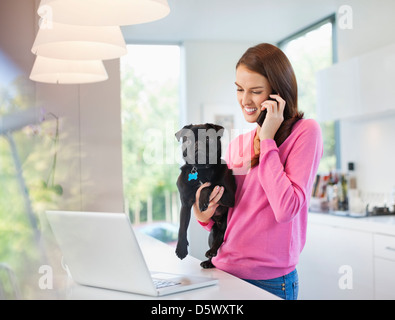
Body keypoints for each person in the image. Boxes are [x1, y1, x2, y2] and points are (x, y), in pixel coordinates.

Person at [193, 43, 323, 300]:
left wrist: (267, 140)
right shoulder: (238, 144)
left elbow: (286, 209)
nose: (244, 100)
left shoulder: (306, 132)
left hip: (270, 282)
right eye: (239, 89)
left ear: (277, 93)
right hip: (224, 271)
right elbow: (229, 220)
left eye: (255, 91)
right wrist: (204, 214)